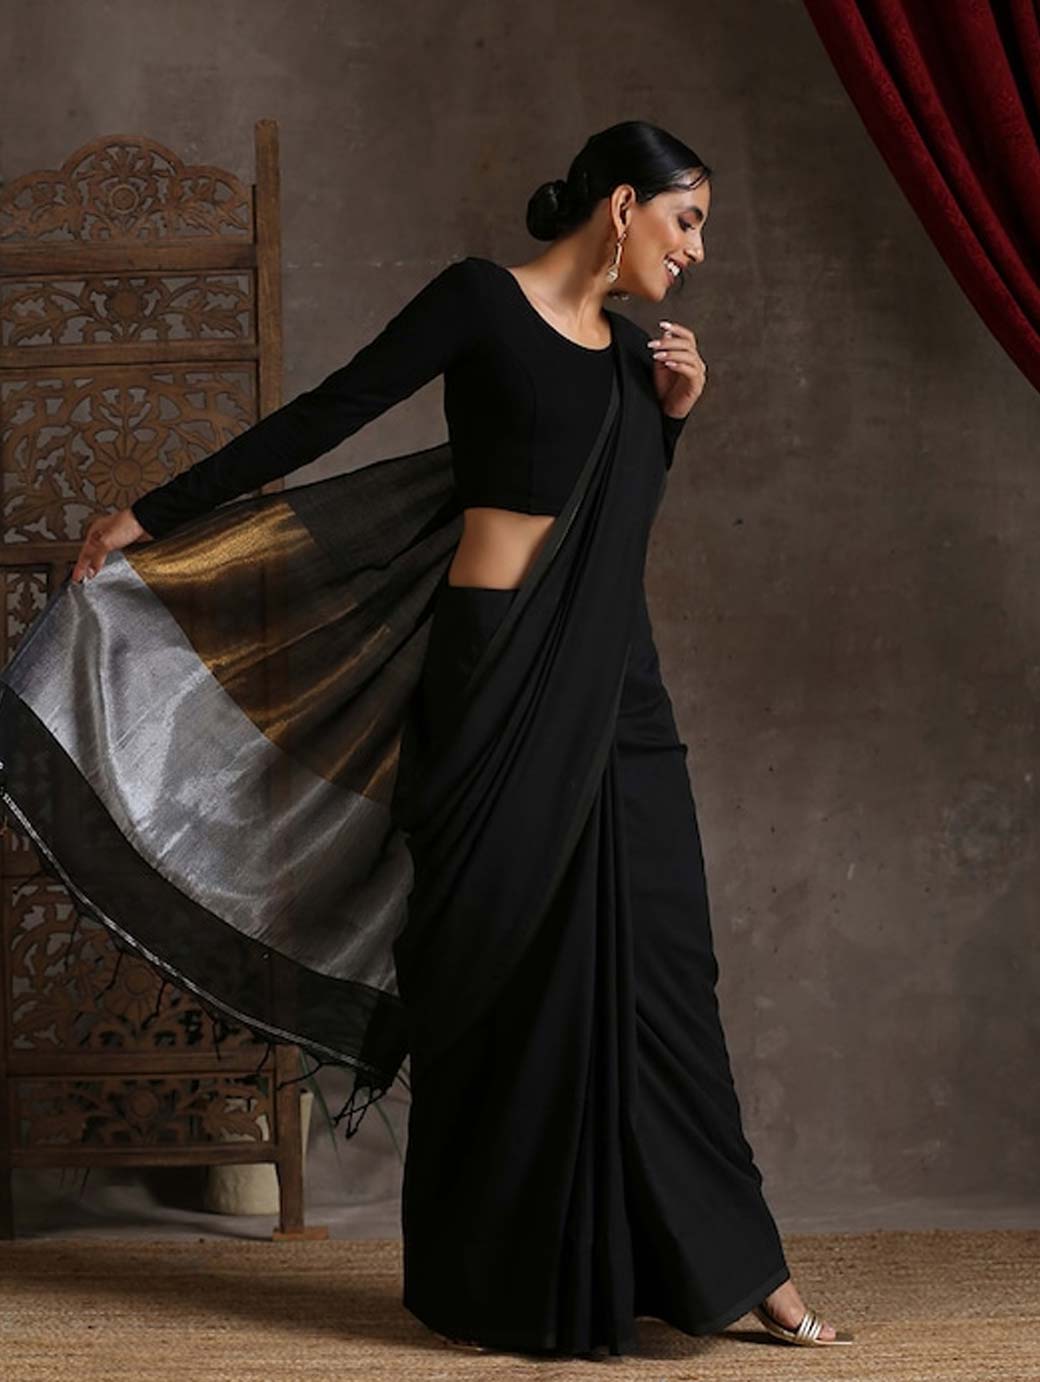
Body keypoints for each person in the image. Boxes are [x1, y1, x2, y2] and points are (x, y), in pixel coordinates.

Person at [0, 120, 851, 1357]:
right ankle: (502, 1276)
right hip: (492, 677)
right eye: (688, 220)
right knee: (495, 969)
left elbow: (608, 528)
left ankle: (741, 1261)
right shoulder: (480, 303)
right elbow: (329, 414)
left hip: (617, 693)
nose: (697, 251)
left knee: (665, 969)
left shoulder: (638, 356)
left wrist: (670, 416)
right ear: (622, 205)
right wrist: (150, 511)